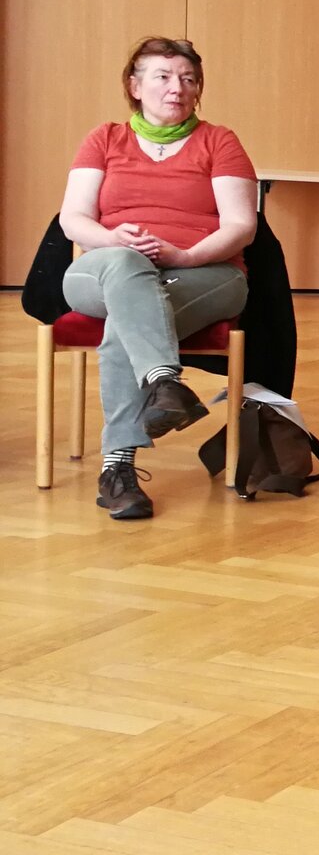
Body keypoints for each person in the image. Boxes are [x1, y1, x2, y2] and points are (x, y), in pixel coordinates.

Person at [58, 37, 258, 521]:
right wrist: (111, 238)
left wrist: (185, 255)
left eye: (188, 79)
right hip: (103, 269)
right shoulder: (104, 138)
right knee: (127, 269)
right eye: (164, 77)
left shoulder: (220, 141)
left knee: (125, 322)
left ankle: (118, 469)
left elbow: (240, 226)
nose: (178, 88)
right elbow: (73, 219)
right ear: (135, 85)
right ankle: (165, 381)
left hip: (203, 272)